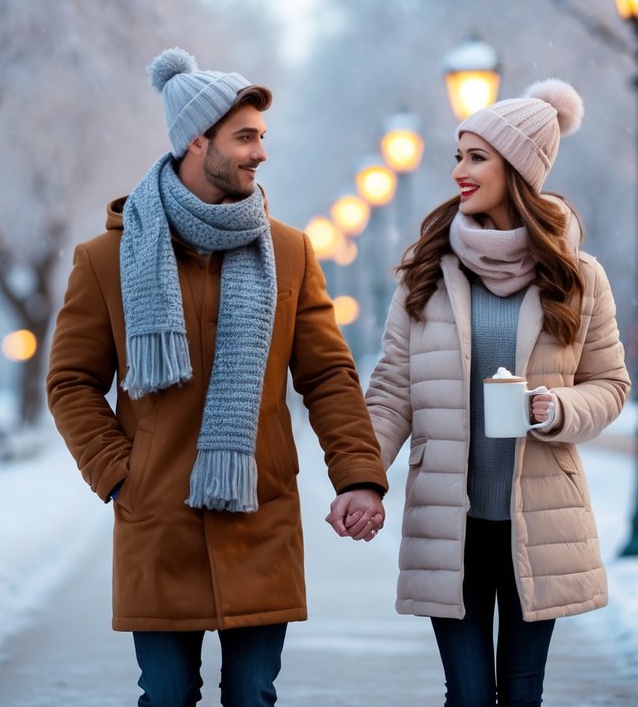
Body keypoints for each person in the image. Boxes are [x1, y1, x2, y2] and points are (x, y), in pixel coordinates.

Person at [46, 47, 388, 707]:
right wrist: (124, 475)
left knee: (252, 697)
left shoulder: (288, 252)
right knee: (167, 697)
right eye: (245, 137)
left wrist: (359, 476)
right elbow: (70, 382)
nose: (260, 153)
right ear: (196, 140)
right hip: (157, 522)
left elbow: (327, 376)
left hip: (258, 518)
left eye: (261, 137)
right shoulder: (106, 257)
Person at [363, 78, 631, 706]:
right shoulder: (428, 269)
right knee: (469, 696)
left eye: (476, 157)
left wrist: (561, 408)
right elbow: (392, 390)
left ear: (516, 169)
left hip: (538, 521)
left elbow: (611, 385)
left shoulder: (577, 275)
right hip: (446, 517)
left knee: (521, 693)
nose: (458, 170)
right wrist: (361, 477)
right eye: (458, 155)